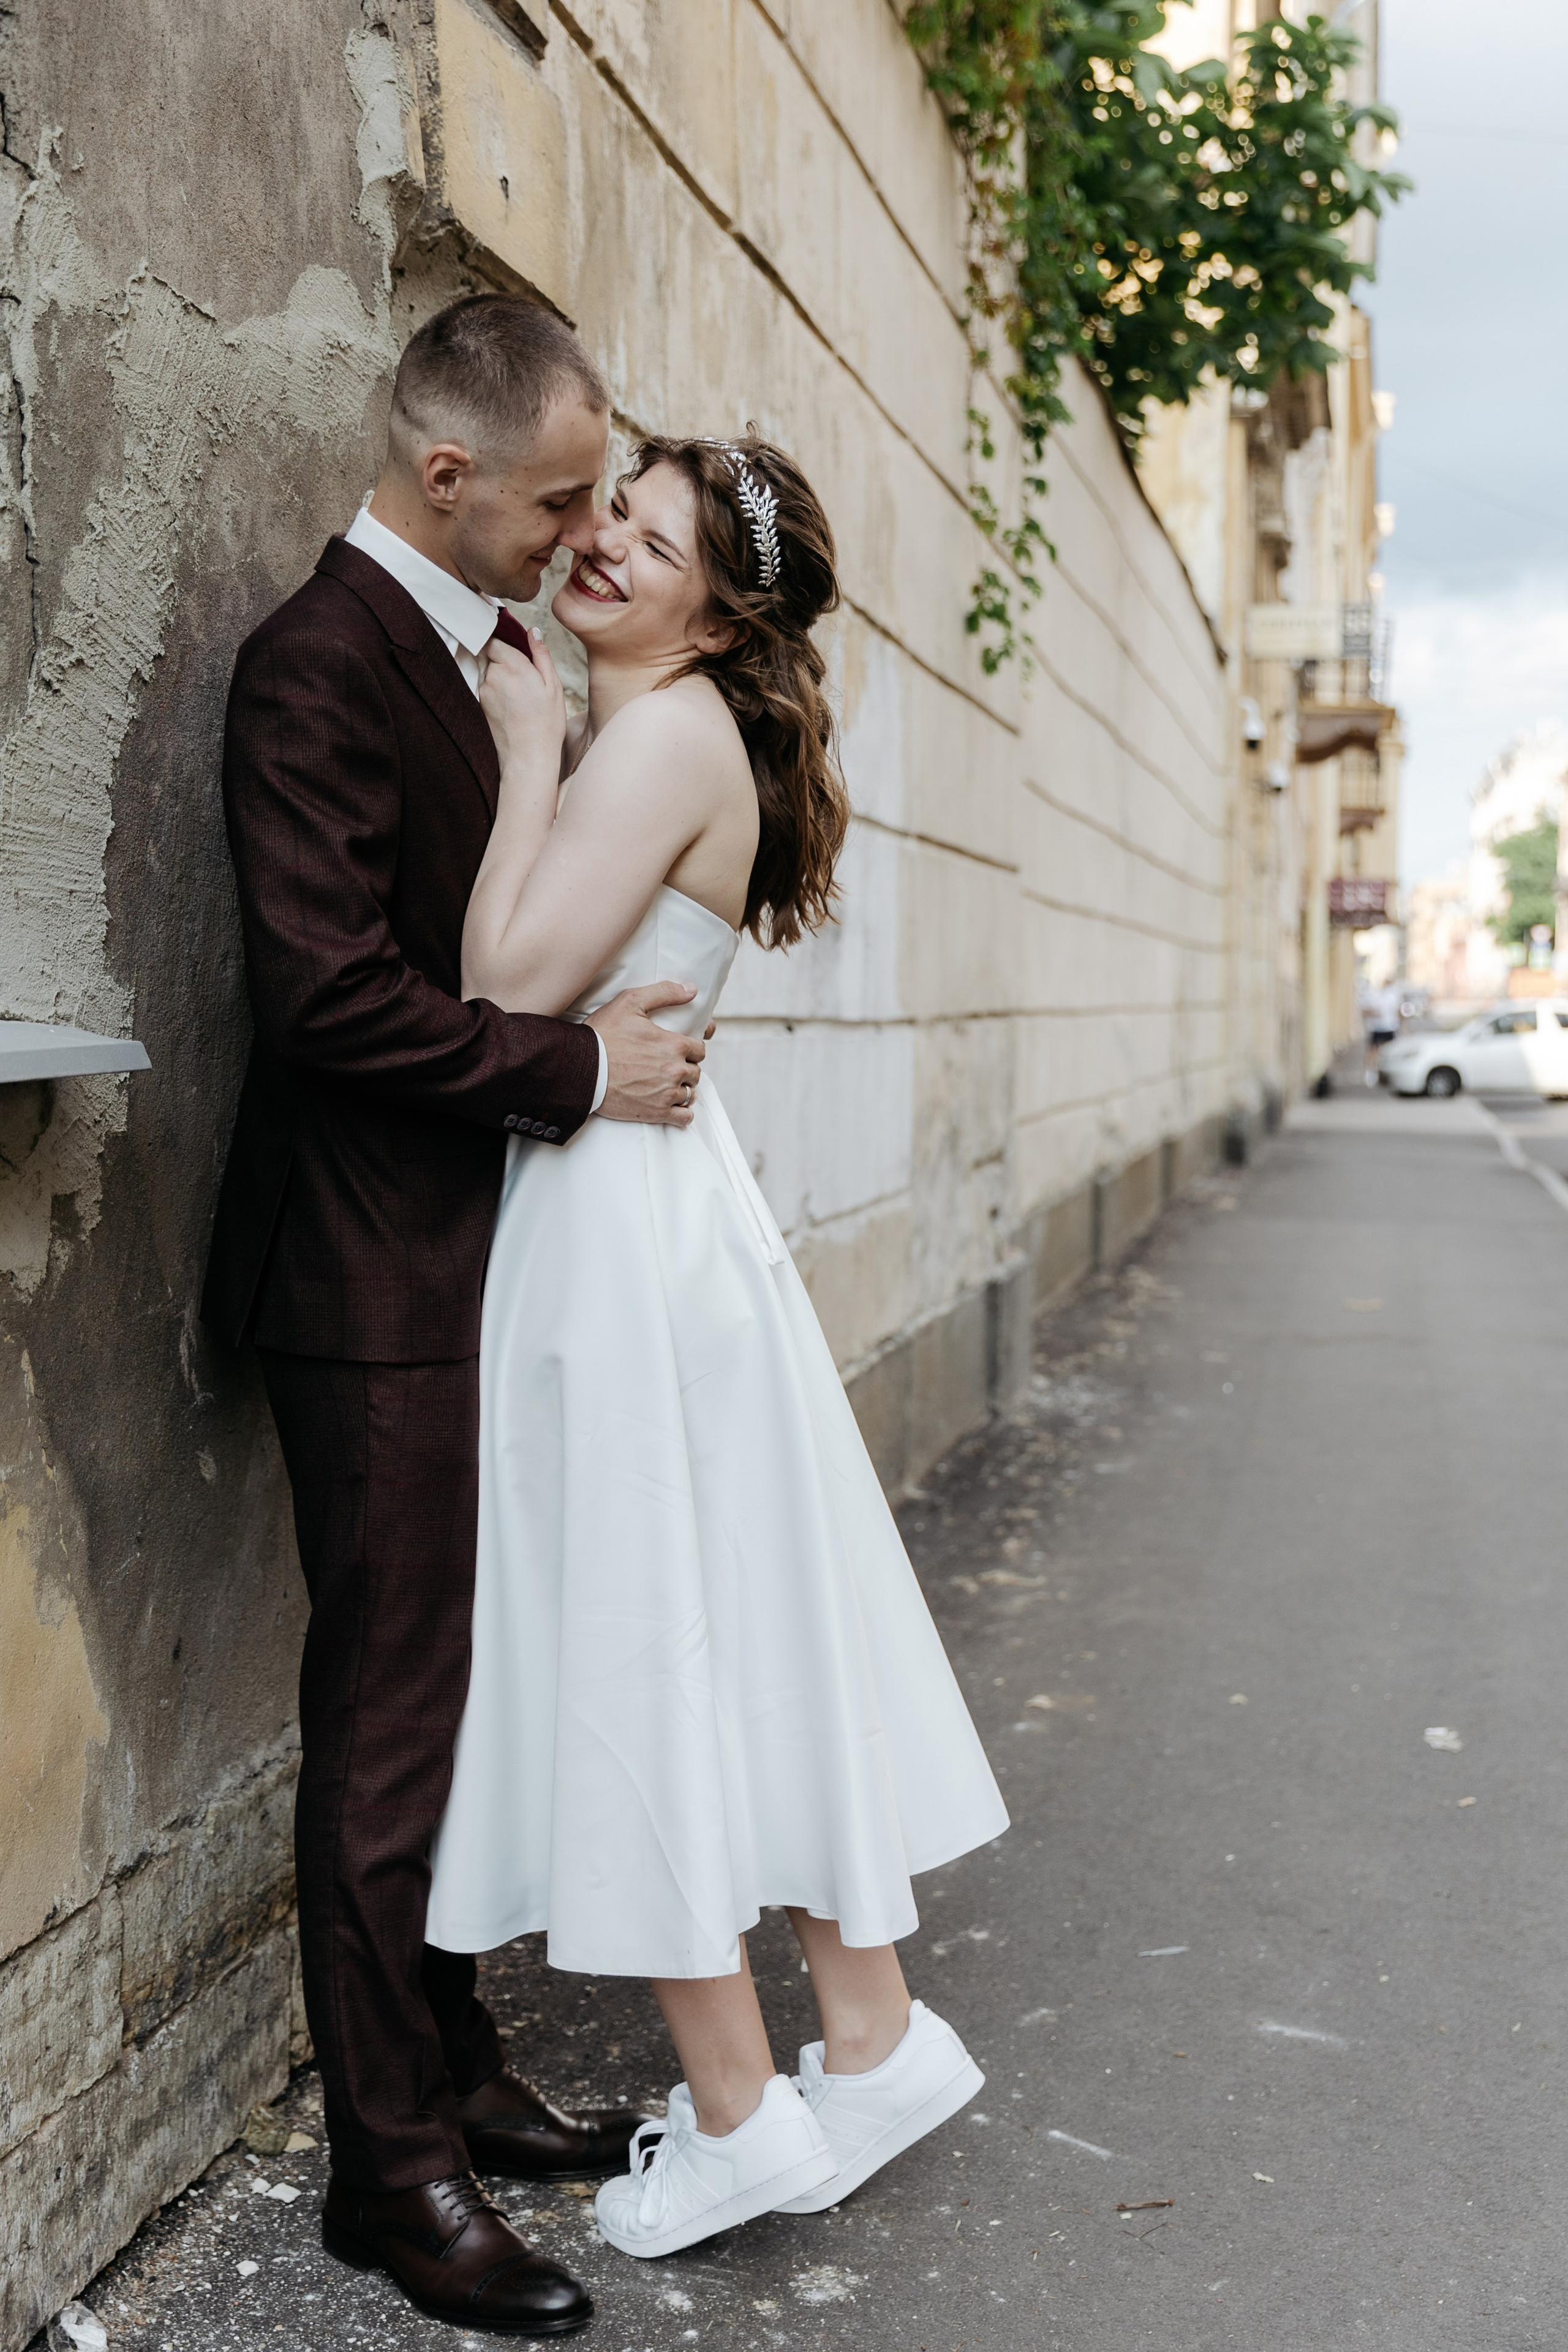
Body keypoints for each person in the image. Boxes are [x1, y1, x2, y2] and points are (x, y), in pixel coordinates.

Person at [425, 431, 1009, 2261]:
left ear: (719, 616)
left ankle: (744, 2115)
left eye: (651, 542)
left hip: (614, 1237)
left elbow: (503, 991)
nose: (600, 543)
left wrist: (527, 753)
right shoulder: (687, 730)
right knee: (734, 1626)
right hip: (660, 1220)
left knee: (640, 1643)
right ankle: (872, 2037)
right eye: (612, 509)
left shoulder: (659, 737)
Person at [203, 296, 709, 2337]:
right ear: (446, 475)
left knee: (464, 1697)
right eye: (563, 501)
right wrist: (582, 1073)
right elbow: (328, 1003)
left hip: (480, 1259)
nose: (584, 537)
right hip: (366, 1278)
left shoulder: (492, 651)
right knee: (390, 1725)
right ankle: (387, 2174)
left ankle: (460, 2067)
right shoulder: (316, 662)